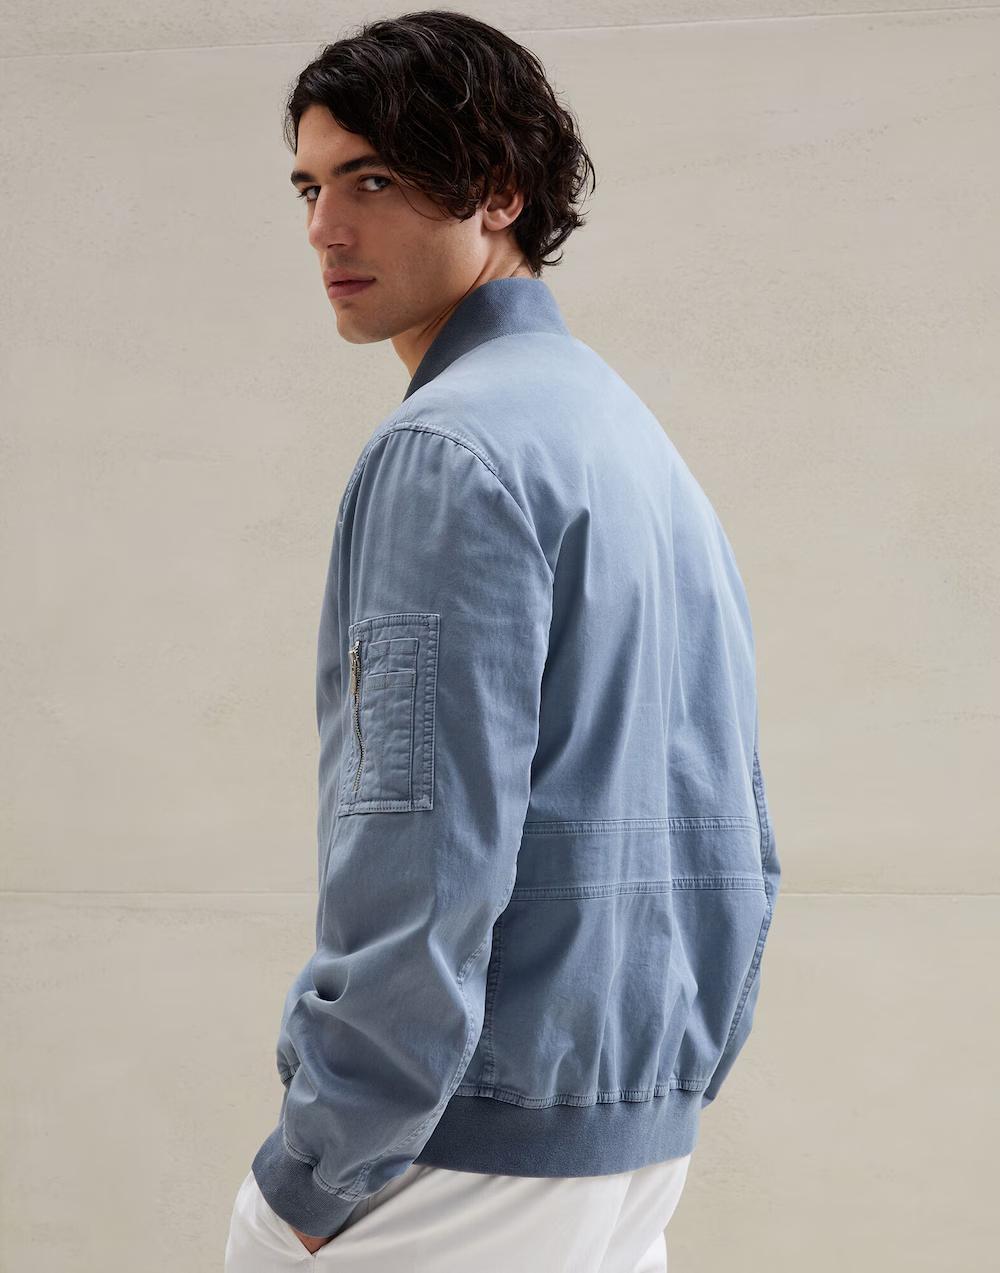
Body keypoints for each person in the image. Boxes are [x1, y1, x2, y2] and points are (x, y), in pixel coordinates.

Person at [225, 9, 781, 1271]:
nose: (325, 229)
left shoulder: (448, 450)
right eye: (310, 187)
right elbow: (733, 823)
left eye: (372, 179)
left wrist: (318, 1165)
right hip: (628, 1143)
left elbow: (418, 846)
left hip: (457, 1158)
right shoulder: (626, 436)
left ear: (499, 189)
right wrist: (662, 1088)